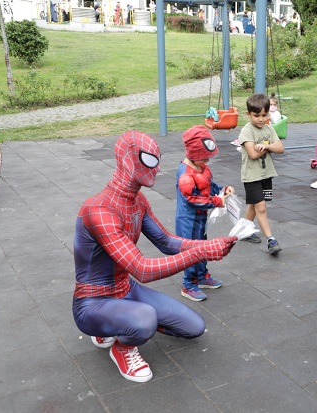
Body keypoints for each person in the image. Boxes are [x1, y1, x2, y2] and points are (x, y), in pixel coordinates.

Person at [72, 130, 236, 383]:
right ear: (127, 160)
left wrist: (211, 244)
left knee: (194, 327)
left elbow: (166, 241)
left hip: (125, 289)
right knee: (144, 320)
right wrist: (202, 251)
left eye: (158, 160)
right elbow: (142, 270)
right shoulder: (98, 210)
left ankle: (117, 323)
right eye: (150, 160)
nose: (157, 168)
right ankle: (122, 347)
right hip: (92, 302)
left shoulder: (137, 201)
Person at [176, 125, 235, 302]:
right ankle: (188, 284)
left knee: (202, 247)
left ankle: (201, 276)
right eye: (204, 158)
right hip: (188, 219)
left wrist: (222, 189)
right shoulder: (185, 175)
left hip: (200, 217)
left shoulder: (201, 168)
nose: (207, 162)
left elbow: (208, 185)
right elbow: (192, 199)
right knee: (190, 250)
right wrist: (217, 201)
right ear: (194, 155)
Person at [237, 93, 285, 255]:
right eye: (256, 115)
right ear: (248, 114)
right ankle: (271, 240)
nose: (260, 119)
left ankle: (243, 231)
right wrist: (268, 145)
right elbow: (253, 154)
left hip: (266, 174)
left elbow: (280, 148)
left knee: (254, 204)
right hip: (252, 176)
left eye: (264, 115)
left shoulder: (269, 128)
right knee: (262, 207)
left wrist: (266, 146)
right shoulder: (246, 131)